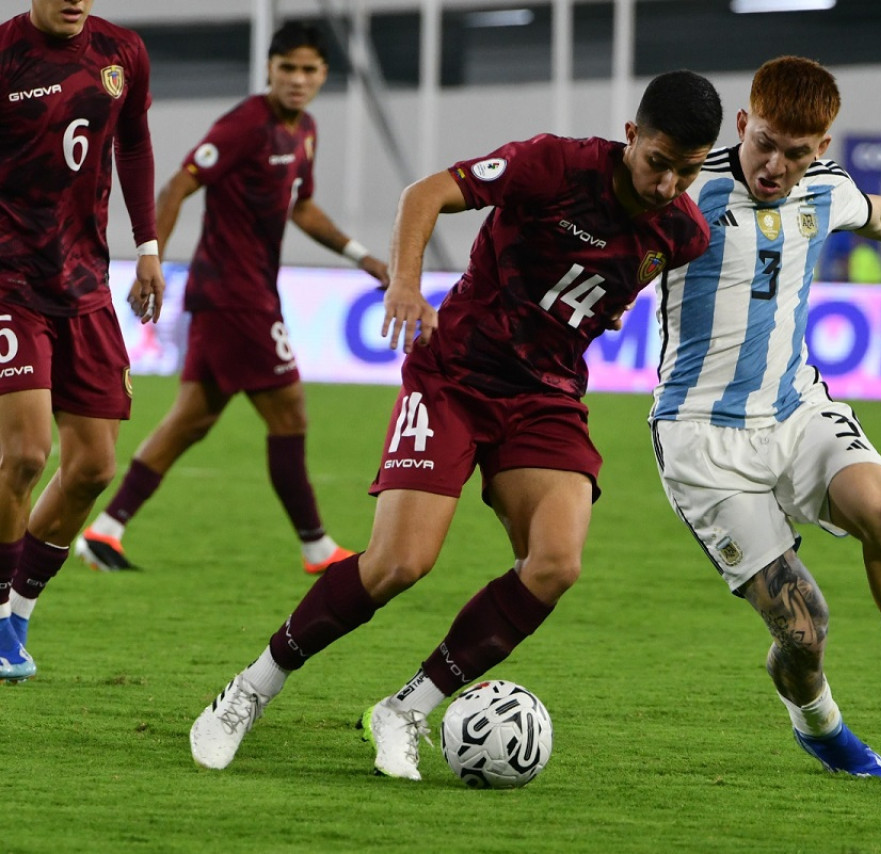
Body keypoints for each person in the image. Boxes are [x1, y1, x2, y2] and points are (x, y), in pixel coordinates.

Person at [187, 69, 723, 778]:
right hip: (457, 378)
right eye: (658, 162)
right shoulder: (553, 164)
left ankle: (406, 708)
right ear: (631, 136)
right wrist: (407, 284)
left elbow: (623, 276)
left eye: (686, 171)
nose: (666, 184)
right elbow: (427, 193)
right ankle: (250, 690)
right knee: (399, 564)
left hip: (546, 397)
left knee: (556, 563)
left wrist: (608, 303)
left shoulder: (684, 231)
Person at [649, 56, 881, 779]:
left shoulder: (826, 188)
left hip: (795, 408)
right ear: (744, 125)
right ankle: (819, 727)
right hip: (702, 437)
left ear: (821, 149)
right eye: (766, 144)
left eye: (798, 152)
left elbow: (877, 212)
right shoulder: (686, 193)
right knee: (805, 627)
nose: (776, 166)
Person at [71, 23, 389, 576]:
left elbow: (302, 206)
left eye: (309, 69)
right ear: (269, 69)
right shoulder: (246, 124)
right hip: (233, 295)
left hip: (244, 292)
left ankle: (106, 529)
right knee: (289, 413)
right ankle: (317, 547)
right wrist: (152, 259)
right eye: (287, 67)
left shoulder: (305, 130)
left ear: (323, 76)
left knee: (190, 419)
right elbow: (178, 185)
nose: (297, 79)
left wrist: (362, 256)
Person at [0, 0, 165, 683]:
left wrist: (148, 246)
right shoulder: (6, 55)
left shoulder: (121, 52)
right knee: (27, 452)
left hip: (85, 283)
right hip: (9, 279)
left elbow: (133, 142)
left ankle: (17, 612)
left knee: (94, 466)